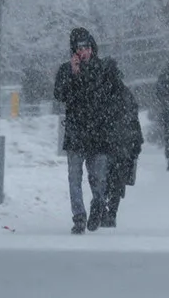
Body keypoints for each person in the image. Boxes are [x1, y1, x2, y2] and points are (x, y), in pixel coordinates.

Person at [53, 27, 121, 234]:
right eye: (80, 48)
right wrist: (73, 74)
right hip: (75, 133)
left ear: (92, 48)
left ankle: (98, 205)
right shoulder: (66, 70)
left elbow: (106, 96)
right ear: (74, 50)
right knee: (74, 177)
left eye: (87, 47)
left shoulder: (102, 69)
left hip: (98, 132)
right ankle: (79, 216)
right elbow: (60, 95)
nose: (84, 52)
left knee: (97, 177)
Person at [100, 73, 144, 228]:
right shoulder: (125, 94)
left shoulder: (101, 93)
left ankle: (104, 210)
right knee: (116, 181)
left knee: (104, 179)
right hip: (122, 145)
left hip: (108, 144)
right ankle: (111, 212)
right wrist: (136, 143)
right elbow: (133, 120)